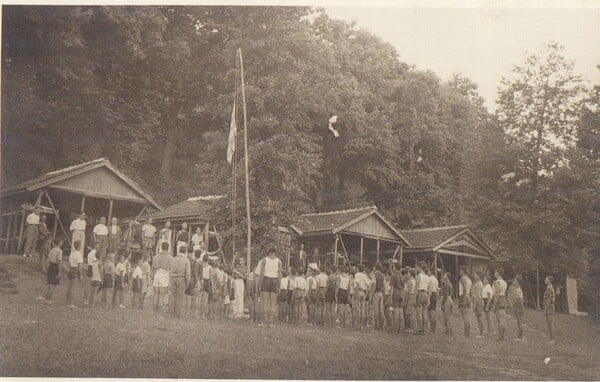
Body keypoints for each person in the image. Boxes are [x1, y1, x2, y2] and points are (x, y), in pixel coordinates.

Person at [258, 247, 282, 328]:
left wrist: (260, 284)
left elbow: (262, 273)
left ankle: (265, 322)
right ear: (275, 252)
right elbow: (279, 274)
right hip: (274, 281)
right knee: (273, 303)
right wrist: (279, 285)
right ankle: (271, 323)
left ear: (268, 251)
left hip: (266, 279)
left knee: (265, 302)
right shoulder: (279, 261)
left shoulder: (264, 260)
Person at [169, 246, 190, 318]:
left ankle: (171, 313)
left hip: (173, 277)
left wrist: (170, 278)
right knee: (180, 297)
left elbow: (170, 269)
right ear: (185, 252)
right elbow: (188, 273)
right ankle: (177, 314)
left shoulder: (173, 259)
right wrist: (187, 282)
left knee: (172, 296)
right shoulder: (186, 260)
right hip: (181, 278)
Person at [152, 241, 171, 313]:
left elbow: (153, 266)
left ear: (161, 247)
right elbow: (170, 268)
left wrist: (152, 276)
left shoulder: (156, 256)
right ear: (168, 248)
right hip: (165, 275)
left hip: (157, 274)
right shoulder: (170, 257)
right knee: (162, 296)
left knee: (156, 294)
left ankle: (154, 311)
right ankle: (159, 313)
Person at [43, 238, 63, 303]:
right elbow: (59, 261)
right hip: (55, 267)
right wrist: (60, 272)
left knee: (50, 283)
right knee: (53, 284)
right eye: (61, 242)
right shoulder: (59, 251)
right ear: (59, 243)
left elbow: (48, 259)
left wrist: (45, 267)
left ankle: (46, 298)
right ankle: (49, 300)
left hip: (50, 266)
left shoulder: (52, 250)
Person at [66, 240, 84, 308]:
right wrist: (81, 275)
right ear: (79, 246)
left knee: (69, 286)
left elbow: (69, 262)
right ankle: (72, 303)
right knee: (74, 287)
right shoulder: (79, 254)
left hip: (71, 269)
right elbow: (80, 267)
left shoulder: (72, 253)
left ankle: (67, 301)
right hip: (76, 269)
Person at [354, 265, 371, 330]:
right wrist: (366, 295)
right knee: (363, 310)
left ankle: (358, 325)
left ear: (358, 269)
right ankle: (362, 325)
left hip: (359, 291)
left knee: (358, 309)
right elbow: (369, 285)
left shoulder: (357, 274)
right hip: (364, 292)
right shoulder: (365, 275)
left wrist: (356, 293)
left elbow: (357, 284)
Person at [492, 267, 508, 341]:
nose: (494, 273)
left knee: (500, 320)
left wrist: (494, 305)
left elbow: (497, 293)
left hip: (499, 299)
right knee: (503, 319)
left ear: (498, 272)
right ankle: (503, 336)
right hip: (503, 298)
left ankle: (500, 336)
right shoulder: (504, 282)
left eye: (495, 272)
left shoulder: (497, 282)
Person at [185, 249, 202, 316]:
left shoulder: (190, 260)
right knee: (195, 298)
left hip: (189, 280)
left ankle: (187, 312)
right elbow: (197, 273)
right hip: (195, 281)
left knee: (188, 297)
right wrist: (196, 281)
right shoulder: (199, 263)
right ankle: (193, 312)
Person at [415, 265, 430, 335]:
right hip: (426, 293)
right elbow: (428, 287)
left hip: (420, 293)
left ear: (420, 268)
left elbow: (416, 286)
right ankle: (425, 329)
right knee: (425, 312)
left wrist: (415, 297)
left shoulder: (418, 276)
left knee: (419, 312)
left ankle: (420, 329)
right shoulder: (427, 277)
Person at [458, 266, 473, 337]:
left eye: (460, 270)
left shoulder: (462, 278)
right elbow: (470, 290)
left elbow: (464, 288)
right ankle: (467, 332)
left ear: (463, 271)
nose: (459, 272)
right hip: (468, 296)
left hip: (463, 296)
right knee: (467, 315)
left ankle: (466, 333)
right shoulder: (469, 279)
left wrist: (463, 299)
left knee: (465, 315)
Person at [390, 263, 404, 333]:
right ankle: (400, 328)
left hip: (395, 292)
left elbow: (392, 287)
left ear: (395, 267)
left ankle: (395, 329)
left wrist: (390, 296)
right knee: (400, 311)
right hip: (401, 292)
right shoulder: (402, 276)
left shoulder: (393, 276)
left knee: (396, 311)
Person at [510, 276, 525, 341]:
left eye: (515, 281)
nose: (513, 282)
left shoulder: (518, 290)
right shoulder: (516, 290)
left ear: (518, 282)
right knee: (518, 322)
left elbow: (520, 300)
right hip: (517, 307)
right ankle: (519, 335)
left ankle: (521, 337)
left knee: (520, 322)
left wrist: (519, 308)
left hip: (519, 307)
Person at [372, 263, 385, 331]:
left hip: (376, 293)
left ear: (375, 267)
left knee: (376, 310)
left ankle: (376, 326)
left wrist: (371, 294)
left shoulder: (374, 275)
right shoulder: (383, 275)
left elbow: (374, 285)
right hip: (381, 293)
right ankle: (381, 326)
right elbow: (383, 286)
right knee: (381, 310)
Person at [472, 272, 485, 338]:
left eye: (475, 275)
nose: (474, 276)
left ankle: (481, 334)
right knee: (478, 317)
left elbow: (477, 296)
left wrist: (474, 305)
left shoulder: (479, 284)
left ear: (479, 276)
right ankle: (481, 332)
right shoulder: (477, 283)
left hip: (478, 301)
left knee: (479, 317)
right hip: (477, 300)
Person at [441, 272, 454, 336]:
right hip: (450, 299)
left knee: (446, 317)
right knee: (449, 316)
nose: (443, 276)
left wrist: (443, 303)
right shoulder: (450, 284)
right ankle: (449, 331)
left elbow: (445, 295)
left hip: (447, 300)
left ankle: (447, 331)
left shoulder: (446, 284)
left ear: (447, 277)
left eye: (444, 275)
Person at [404, 268, 417, 333]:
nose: (407, 274)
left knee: (407, 312)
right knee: (411, 312)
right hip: (413, 296)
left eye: (408, 273)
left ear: (411, 274)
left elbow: (408, 291)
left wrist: (405, 300)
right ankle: (412, 327)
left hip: (410, 296)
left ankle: (409, 327)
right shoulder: (415, 280)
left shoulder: (410, 281)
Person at [427, 267, 439, 335]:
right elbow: (437, 289)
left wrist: (428, 298)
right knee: (433, 312)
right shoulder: (436, 279)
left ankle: (432, 329)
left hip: (431, 295)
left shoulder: (430, 279)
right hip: (435, 295)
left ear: (430, 272)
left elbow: (430, 289)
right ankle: (434, 328)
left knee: (430, 312)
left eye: (428, 271)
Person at [543, 275, 556, 342]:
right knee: (549, 323)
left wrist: (545, 310)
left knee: (550, 323)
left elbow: (548, 300)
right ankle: (551, 338)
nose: (545, 280)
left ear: (549, 281)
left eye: (546, 279)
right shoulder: (548, 287)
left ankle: (552, 339)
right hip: (549, 307)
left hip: (549, 307)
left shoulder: (549, 288)